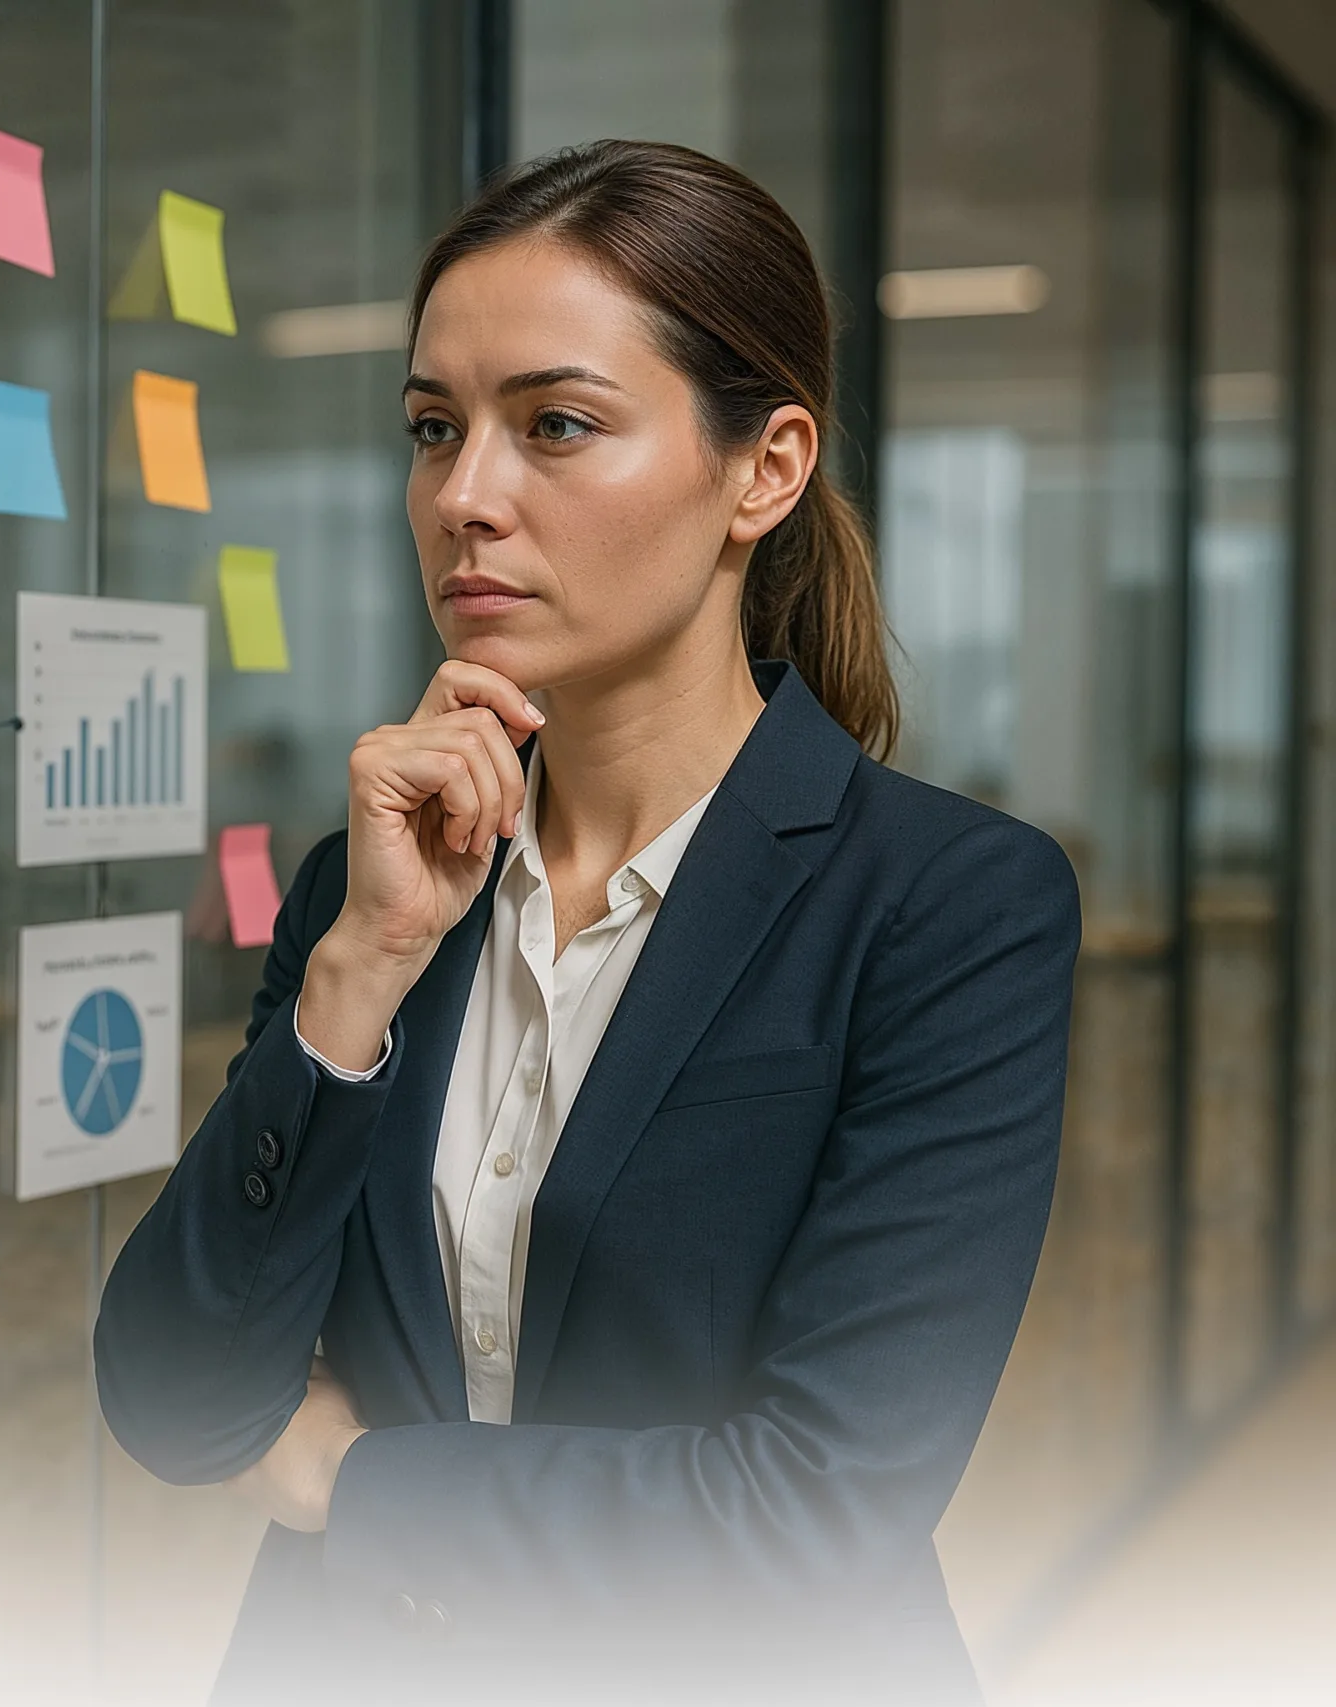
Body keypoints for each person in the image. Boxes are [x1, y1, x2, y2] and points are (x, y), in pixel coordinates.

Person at [94, 140, 1080, 1704]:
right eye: (434, 428)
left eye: (556, 424)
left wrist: (351, 1481)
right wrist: (358, 969)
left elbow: (815, 1508)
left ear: (763, 470)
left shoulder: (948, 907)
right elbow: (171, 1393)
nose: (464, 496)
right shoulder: (371, 885)